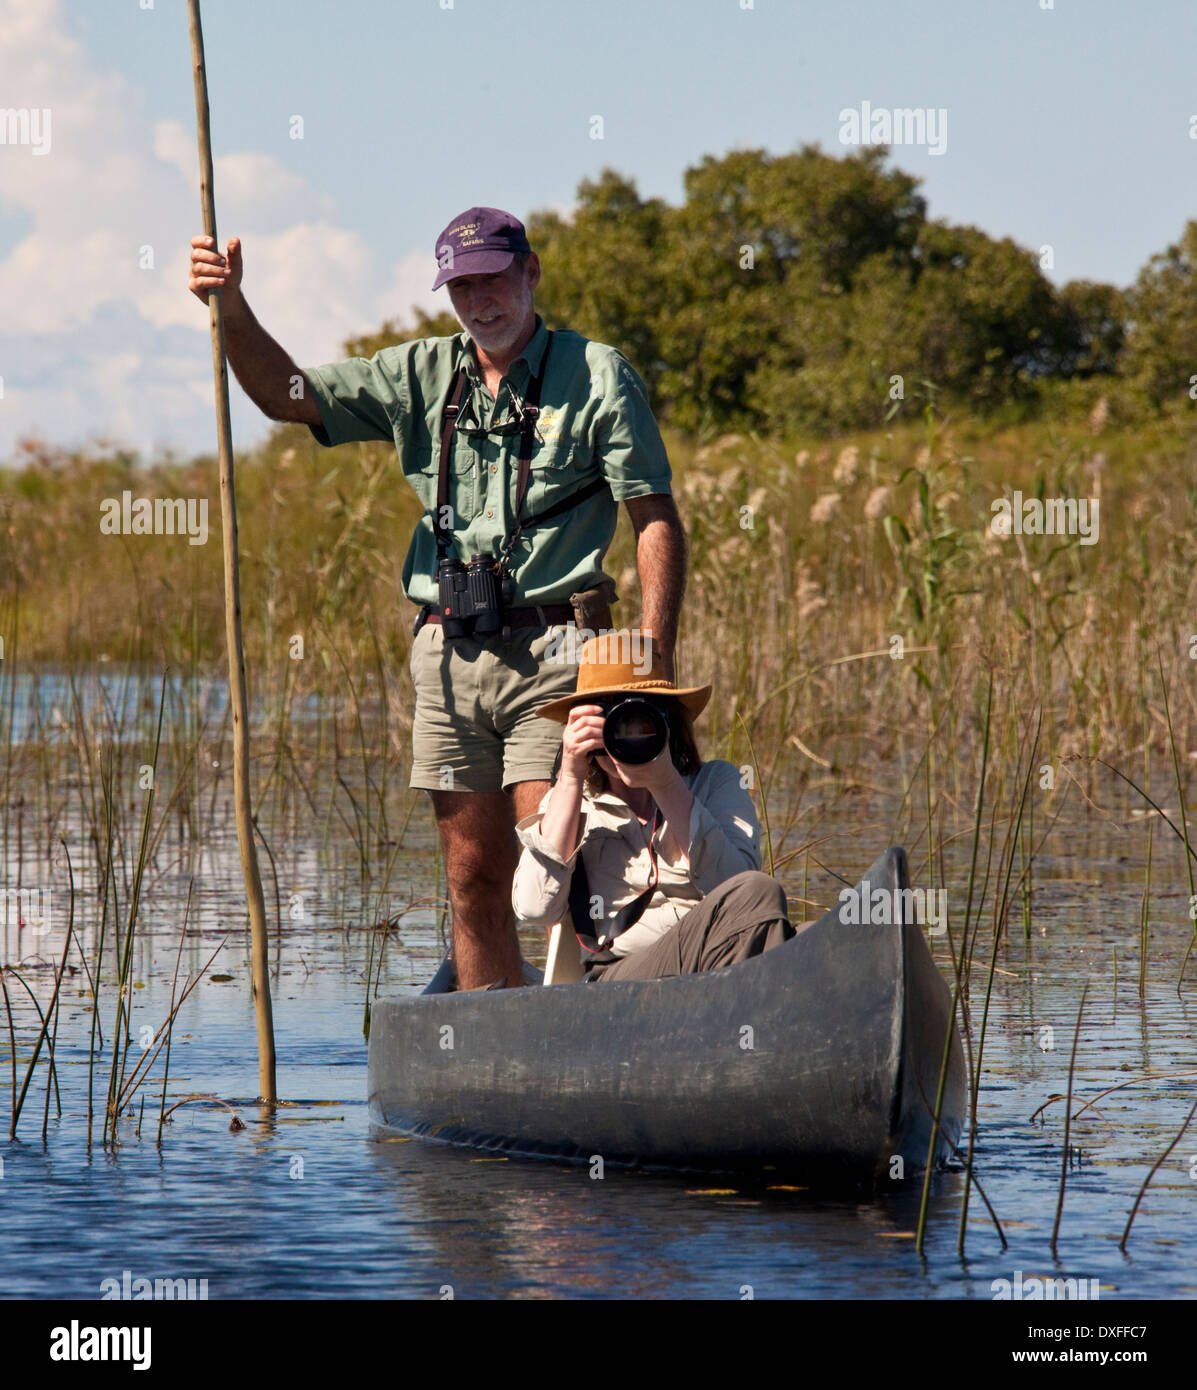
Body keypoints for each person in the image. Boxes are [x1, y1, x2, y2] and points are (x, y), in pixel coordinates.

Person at [188, 206, 686, 990]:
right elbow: (287, 396)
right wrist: (232, 307)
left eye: (494, 279)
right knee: (471, 881)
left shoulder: (596, 374)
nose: (480, 300)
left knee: (551, 863)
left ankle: (581, 1042)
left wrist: (650, 658)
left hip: (558, 648)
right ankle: (490, 1048)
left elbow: (653, 517)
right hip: (446, 656)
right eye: (462, 287)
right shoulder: (418, 373)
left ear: (530, 275)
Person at [512, 634, 795, 981]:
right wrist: (570, 775)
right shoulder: (572, 803)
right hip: (621, 978)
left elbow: (735, 890)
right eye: (611, 722)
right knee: (761, 893)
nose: (624, 737)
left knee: (818, 936)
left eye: (639, 722)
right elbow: (533, 908)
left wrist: (665, 783)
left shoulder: (716, 782)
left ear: (669, 723)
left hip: (713, 957)